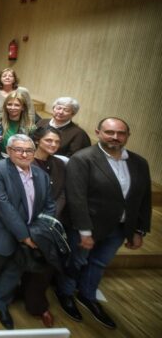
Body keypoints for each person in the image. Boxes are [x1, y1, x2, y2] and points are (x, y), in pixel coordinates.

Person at [56, 117, 151, 330]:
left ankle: (88, 295)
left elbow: (143, 198)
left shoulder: (139, 162)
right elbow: (76, 198)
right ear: (98, 132)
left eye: (120, 133)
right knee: (76, 261)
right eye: (109, 132)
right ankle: (65, 293)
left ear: (127, 136)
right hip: (86, 228)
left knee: (99, 264)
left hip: (119, 228)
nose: (115, 137)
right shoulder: (83, 159)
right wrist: (84, 231)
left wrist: (139, 229)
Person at [0, 134, 55, 330]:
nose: (24, 154)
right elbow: (3, 206)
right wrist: (25, 235)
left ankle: (1, 304)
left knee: (12, 274)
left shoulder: (42, 175)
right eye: (18, 150)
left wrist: (38, 233)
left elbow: (49, 207)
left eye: (28, 150)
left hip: (31, 237)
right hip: (1, 235)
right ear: (9, 151)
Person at [21, 127, 67, 328]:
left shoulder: (60, 164)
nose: (53, 145)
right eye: (49, 141)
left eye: (56, 142)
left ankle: (38, 305)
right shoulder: (25, 161)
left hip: (48, 223)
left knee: (45, 265)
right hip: (24, 220)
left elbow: (62, 194)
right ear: (37, 140)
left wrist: (49, 218)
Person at [0, 91, 35, 162]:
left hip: (20, 161)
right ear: (5, 106)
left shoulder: (30, 127)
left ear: (23, 107)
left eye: (17, 105)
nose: (12, 108)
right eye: (9, 104)